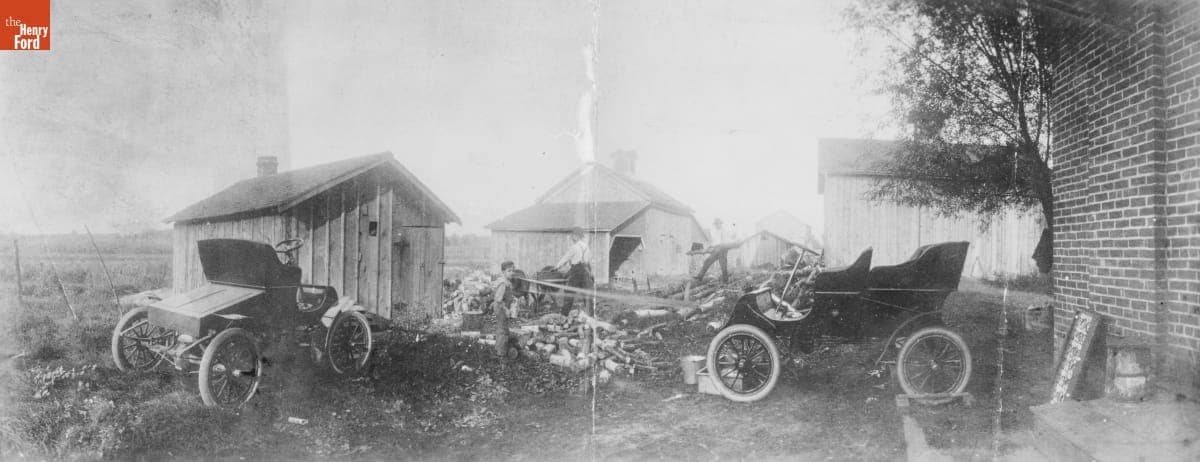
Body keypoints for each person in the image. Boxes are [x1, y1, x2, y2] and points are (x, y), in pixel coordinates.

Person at [555, 227, 594, 316]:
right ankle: (591, 316)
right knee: (587, 296)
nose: (572, 238)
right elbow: (588, 261)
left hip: (576, 271)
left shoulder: (574, 247)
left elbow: (565, 258)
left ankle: (563, 316)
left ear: (576, 236)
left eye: (573, 236)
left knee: (569, 294)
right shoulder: (586, 247)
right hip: (585, 271)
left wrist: (557, 267)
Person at [694, 218, 742, 284]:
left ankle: (725, 282)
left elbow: (731, 238)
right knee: (707, 261)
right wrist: (710, 247)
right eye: (716, 224)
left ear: (720, 224)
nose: (717, 225)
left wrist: (737, 240)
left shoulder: (725, 231)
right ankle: (699, 277)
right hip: (716, 250)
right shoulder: (715, 232)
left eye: (718, 224)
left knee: (723, 266)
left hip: (723, 250)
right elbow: (714, 242)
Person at [491, 261, 518, 357]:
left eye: (513, 271)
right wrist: (506, 310)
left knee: (503, 328)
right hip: (501, 308)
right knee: (503, 330)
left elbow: (507, 295)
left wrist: (513, 299)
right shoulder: (503, 283)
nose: (511, 273)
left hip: (504, 307)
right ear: (503, 272)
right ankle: (501, 354)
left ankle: (499, 349)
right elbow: (498, 299)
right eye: (509, 271)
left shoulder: (507, 282)